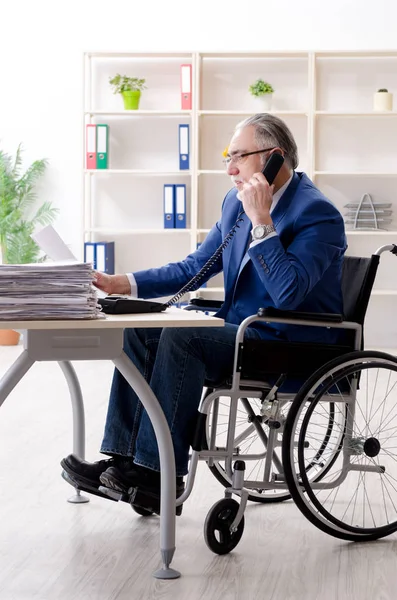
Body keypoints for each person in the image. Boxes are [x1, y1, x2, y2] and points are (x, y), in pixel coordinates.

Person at [61, 113, 347, 513]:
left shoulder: (317, 213)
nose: (230, 168)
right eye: (228, 156)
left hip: (289, 343)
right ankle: (125, 463)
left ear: (274, 158)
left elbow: (288, 293)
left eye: (240, 157)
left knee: (185, 336)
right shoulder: (235, 202)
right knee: (140, 330)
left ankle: (159, 475)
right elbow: (195, 266)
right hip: (242, 332)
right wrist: (121, 283)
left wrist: (262, 223)